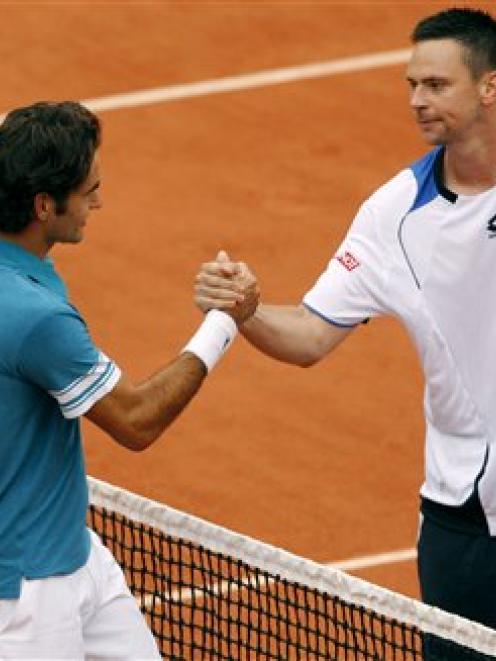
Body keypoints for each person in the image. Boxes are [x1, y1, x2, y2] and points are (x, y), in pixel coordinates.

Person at [194, 6, 496, 639]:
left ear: (489, 86)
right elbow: (308, 333)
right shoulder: (393, 217)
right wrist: (248, 312)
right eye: (411, 84)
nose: (417, 100)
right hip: (463, 514)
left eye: (436, 85)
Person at [0, 101, 258, 659]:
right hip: (26, 595)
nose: (98, 200)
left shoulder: (18, 275)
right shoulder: (32, 316)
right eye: (88, 188)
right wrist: (223, 322)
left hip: (73, 547)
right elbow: (136, 420)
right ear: (44, 205)